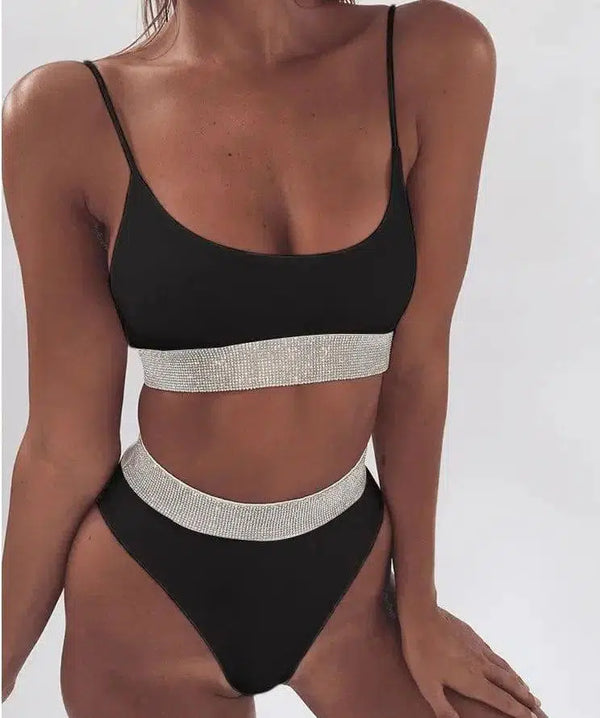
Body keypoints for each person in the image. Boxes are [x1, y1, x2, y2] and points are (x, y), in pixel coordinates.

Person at [2, 1, 546, 716]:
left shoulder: (432, 53)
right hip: (146, 602)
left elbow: (418, 357)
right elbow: (64, 446)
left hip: (352, 591)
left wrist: (419, 603)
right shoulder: (65, 113)